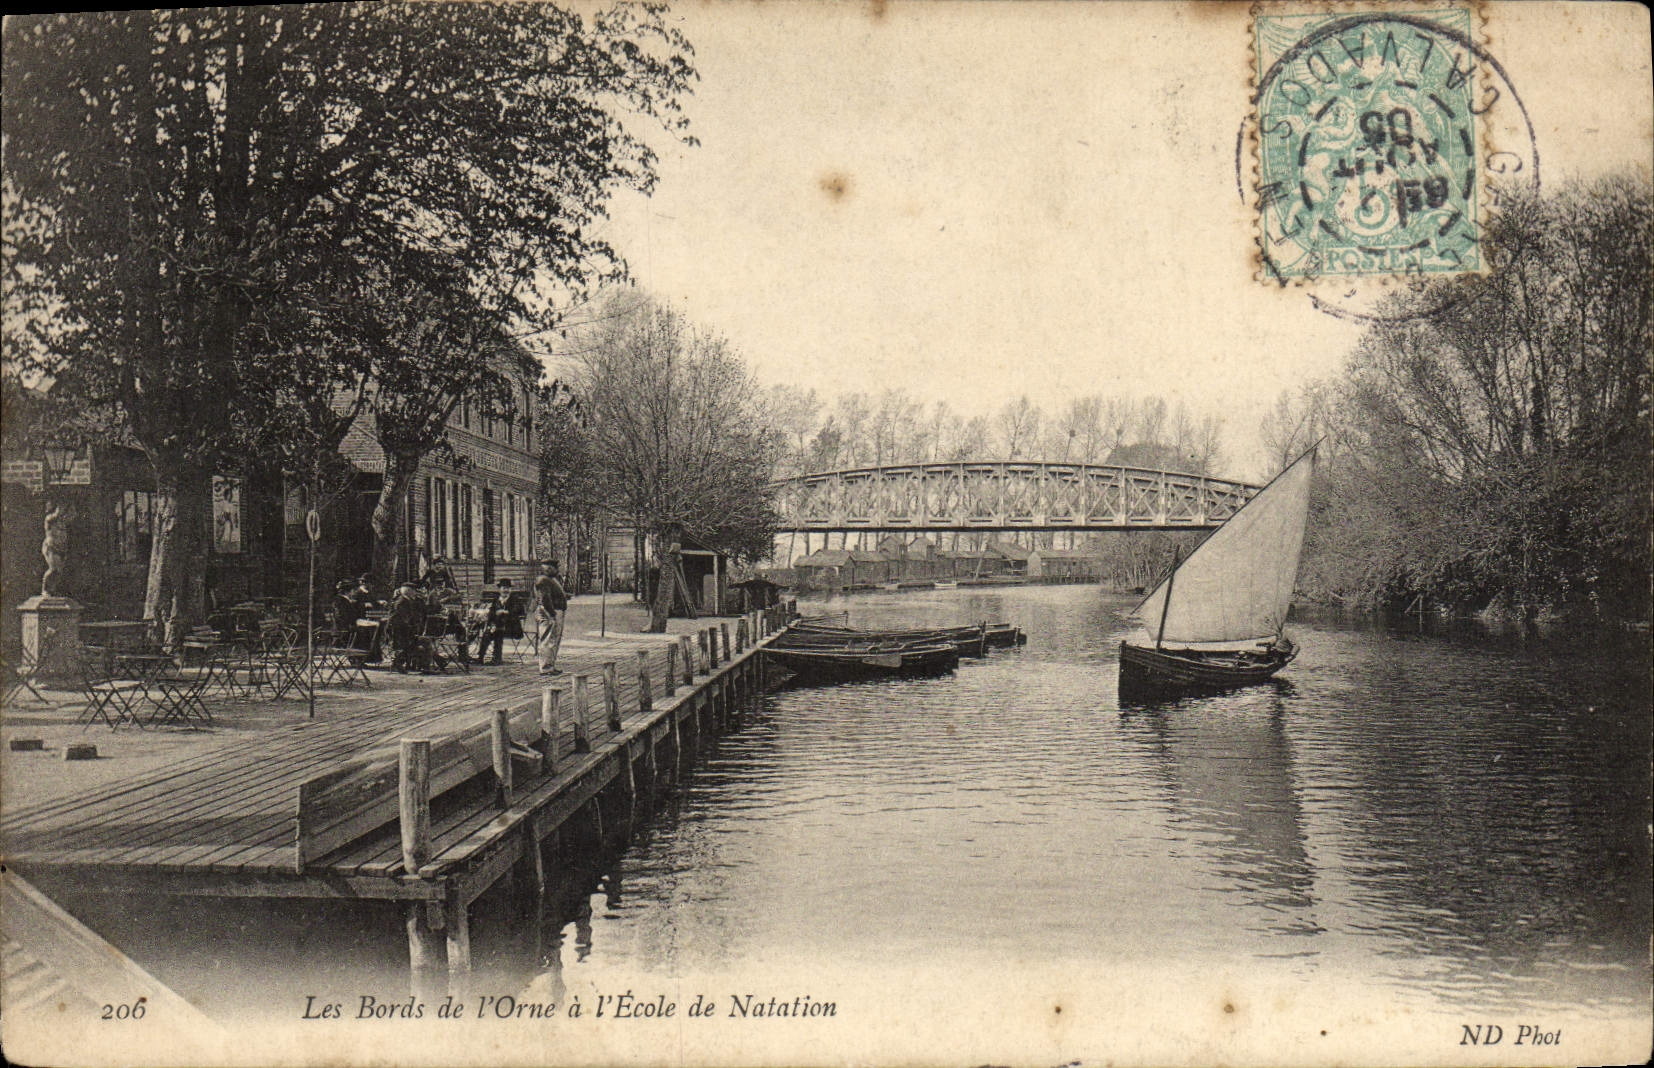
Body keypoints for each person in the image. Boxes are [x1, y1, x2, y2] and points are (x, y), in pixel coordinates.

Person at [473, 578, 524, 665]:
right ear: (500, 589)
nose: (505, 590)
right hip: (497, 626)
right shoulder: (496, 599)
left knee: (498, 632)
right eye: (504, 588)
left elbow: (519, 611)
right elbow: (491, 613)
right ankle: (480, 657)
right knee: (487, 633)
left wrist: (505, 612)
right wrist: (492, 619)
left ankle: (497, 658)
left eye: (508, 588)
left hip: (512, 627)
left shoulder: (515, 599)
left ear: (510, 590)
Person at [533, 560, 568, 676]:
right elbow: (545, 599)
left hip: (554, 611)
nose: (557, 570)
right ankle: (546, 667)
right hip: (549, 612)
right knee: (548, 639)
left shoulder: (551, 579)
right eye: (554, 567)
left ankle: (550, 665)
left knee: (553, 639)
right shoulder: (543, 580)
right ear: (548, 568)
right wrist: (552, 614)